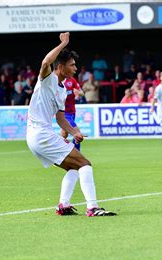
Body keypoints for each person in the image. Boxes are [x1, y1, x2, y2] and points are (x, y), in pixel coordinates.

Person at [26, 32, 115, 216]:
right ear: (60, 66)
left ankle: (63, 205)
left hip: (37, 136)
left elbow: (60, 119)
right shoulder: (47, 79)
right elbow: (45, 62)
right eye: (72, 65)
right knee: (85, 164)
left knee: (74, 167)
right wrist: (63, 44)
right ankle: (92, 207)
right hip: (41, 135)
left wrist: (74, 132)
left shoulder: (62, 90)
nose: (76, 68)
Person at [60, 77, 83, 151]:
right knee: (77, 133)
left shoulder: (72, 80)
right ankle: (77, 152)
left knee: (64, 134)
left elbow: (82, 93)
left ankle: (61, 152)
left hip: (72, 112)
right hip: (64, 113)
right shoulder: (57, 80)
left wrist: (78, 93)